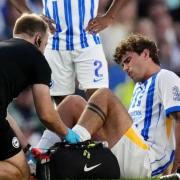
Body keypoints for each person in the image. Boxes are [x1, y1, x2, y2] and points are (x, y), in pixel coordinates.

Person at [37, 34, 180, 178]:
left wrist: (176, 165)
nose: (125, 68)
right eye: (122, 64)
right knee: (73, 102)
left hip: (146, 161)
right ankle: (37, 159)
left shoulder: (165, 77)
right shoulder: (138, 88)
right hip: (131, 155)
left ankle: (76, 143)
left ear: (145, 54)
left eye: (128, 61)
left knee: (104, 94)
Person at [0, 13, 80, 180]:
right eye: (45, 44)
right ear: (37, 39)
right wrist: (68, 134)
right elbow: (46, 114)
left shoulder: (4, 50)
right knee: (20, 173)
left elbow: (5, 115)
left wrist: (27, 148)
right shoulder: (36, 57)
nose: (44, 50)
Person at [10, 0, 128, 103]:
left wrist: (110, 16)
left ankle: (85, 129)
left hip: (87, 40)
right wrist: (32, 15)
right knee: (62, 107)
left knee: (99, 101)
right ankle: (75, 129)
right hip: (54, 44)